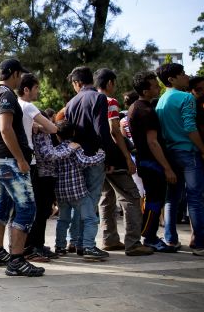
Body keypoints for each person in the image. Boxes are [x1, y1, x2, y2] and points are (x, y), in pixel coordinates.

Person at [0, 59, 44, 277]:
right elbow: (5, 128)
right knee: (27, 208)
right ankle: (17, 260)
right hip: (10, 160)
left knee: (3, 206)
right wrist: (20, 158)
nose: (21, 80)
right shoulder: (7, 95)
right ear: (15, 74)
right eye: (20, 75)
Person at [94, 68, 153, 257]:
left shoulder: (86, 101)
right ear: (110, 83)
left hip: (96, 159)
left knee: (106, 198)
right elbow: (114, 131)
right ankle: (133, 243)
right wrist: (127, 157)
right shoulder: (109, 102)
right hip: (113, 158)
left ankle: (109, 239)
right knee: (132, 197)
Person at [34, 121, 106, 258]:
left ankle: (60, 247)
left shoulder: (55, 149)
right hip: (77, 192)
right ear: (73, 133)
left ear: (58, 136)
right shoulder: (75, 147)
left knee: (63, 220)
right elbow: (84, 162)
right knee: (91, 218)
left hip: (61, 192)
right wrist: (101, 155)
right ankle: (89, 247)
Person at [155, 63, 204, 256]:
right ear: (172, 79)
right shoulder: (186, 98)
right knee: (195, 198)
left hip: (170, 153)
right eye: (182, 74)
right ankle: (199, 243)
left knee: (172, 197)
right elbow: (190, 128)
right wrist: (203, 148)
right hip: (188, 152)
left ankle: (170, 238)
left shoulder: (161, 101)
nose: (186, 76)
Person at [64, 66, 112, 261]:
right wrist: (108, 155)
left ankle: (74, 240)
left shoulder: (71, 103)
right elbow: (102, 130)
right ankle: (88, 244)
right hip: (94, 156)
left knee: (80, 201)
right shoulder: (98, 98)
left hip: (76, 157)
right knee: (91, 200)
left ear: (77, 83)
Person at [128, 71, 178, 252]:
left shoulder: (135, 107)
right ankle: (150, 237)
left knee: (153, 200)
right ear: (145, 90)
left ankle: (149, 235)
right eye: (155, 85)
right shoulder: (147, 111)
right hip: (152, 163)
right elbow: (153, 142)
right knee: (154, 201)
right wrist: (167, 168)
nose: (159, 87)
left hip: (145, 161)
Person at [17, 73, 59, 261]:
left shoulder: (12, 105)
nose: (38, 92)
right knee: (38, 207)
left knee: (23, 208)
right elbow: (53, 128)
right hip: (31, 162)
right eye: (36, 88)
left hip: (17, 159)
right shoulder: (28, 106)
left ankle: (30, 245)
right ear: (26, 89)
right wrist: (41, 125)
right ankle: (32, 246)